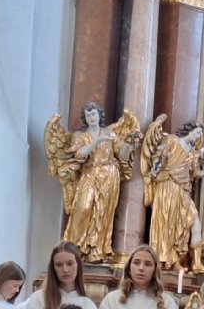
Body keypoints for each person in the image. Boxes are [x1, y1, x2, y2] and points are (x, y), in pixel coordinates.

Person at [45, 102, 140, 262]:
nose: (91, 118)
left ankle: (96, 251)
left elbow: (122, 155)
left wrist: (129, 144)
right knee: (83, 208)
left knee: (102, 212)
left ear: (99, 115)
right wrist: (98, 141)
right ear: (85, 118)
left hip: (109, 175)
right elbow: (80, 154)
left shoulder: (110, 133)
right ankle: (74, 249)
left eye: (93, 114)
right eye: (88, 115)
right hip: (90, 173)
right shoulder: (80, 136)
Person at [142, 119, 204, 270]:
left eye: (201, 134)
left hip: (183, 191)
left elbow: (194, 173)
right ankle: (168, 260)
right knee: (166, 223)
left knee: (195, 224)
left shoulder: (193, 153)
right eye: (198, 133)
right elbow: (156, 163)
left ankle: (196, 263)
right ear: (190, 130)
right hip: (168, 186)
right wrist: (160, 161)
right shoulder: (171, 140)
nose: (199, 136)